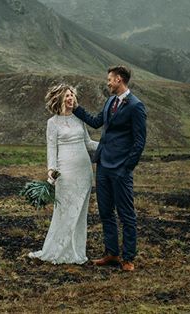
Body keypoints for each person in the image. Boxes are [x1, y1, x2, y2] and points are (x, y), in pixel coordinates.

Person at [73, 65, 146, 272]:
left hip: (121, 169)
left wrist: (127, 167)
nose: (107, 83)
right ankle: (111, 253)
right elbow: (97, 122)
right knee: (105, 212)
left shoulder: (136, 106)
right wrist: (76, 108)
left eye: (110, 79)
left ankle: (128, 258)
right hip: (103, 165)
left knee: (126, 214)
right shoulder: (110, 102)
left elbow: (139, 142)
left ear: (120, 80)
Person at [28, 83, 99, 264]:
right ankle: (58, 250)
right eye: (67, 96)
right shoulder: (52, 123)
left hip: (84, 172)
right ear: (59, 98)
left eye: (72, 95)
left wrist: (111, 145)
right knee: (64, 212)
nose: (70, 98)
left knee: (80, 213)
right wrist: (51, 170)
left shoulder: (79, 119)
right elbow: (51, 148)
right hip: (65, 173)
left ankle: (76, 251)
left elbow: (89, 143)